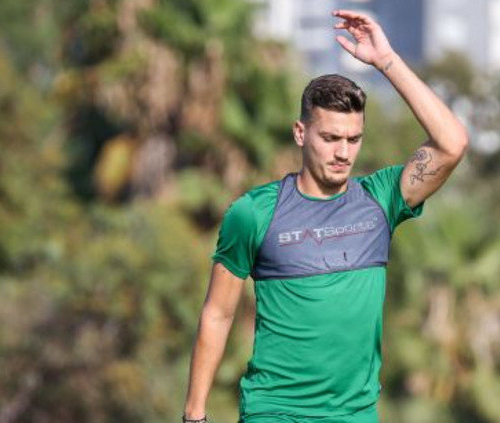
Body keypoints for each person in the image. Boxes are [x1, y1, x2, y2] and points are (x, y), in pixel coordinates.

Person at [182, 9, 468, 423]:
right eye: (331, 138)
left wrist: (386, 60)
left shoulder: (380, 200)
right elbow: (217, 313)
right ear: (301, 133)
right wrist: (194, 415)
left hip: (355, 414)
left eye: (354, 139)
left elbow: (452, 143)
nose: (343, 153)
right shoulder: (253, 213)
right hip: (274, 412)